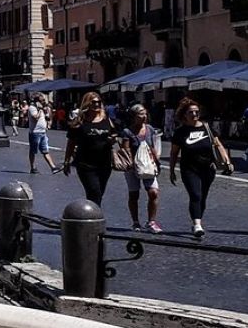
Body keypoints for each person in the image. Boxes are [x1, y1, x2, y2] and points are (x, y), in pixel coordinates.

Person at [167, 97, 229, 239]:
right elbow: (174, 153)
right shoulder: (180, 132)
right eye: (191, 112)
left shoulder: (207, 128)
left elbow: (218, 145)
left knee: (203, 197)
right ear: (185, 115)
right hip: (189, 168)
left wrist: (227, 161)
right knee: (195, 195)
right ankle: (197, 224)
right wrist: (171, 171)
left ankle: (197, 218)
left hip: (208, 168)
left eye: (196, 112)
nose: (194, 114)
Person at [62, 92, 116, 207]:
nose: (97, 105)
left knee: (99, 194)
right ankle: (95, 219)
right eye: (93, 102)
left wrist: (112, 140)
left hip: (105, 164)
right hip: (86, 164)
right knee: (94, 191)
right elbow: (71, 142)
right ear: (87, 104)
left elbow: (114, 134)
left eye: (99, 102)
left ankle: (92, 216)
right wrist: (66, 161)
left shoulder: (107, 119)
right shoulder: (80, 121)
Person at [121, 104, 162, 233]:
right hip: (132, 167)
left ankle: (151, 222)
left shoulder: (149, 129)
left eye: (145, 113)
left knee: (153, 192)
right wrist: (132, 164)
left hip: (148, 165)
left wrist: (157, 162)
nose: (144, 116)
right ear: (133, 117)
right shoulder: (127, 131)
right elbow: (126, 149)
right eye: (140, 114)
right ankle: (135, 222)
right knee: (134, 194)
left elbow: (153, 146)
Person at [26, 94, 58, 175]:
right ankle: (33, 167)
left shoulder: (42, 109)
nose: (44, 102)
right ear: (37, 101)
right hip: (35, 133)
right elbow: (36, 117)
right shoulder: (32, 108)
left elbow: (47, 118)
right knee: (33, 151)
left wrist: (48, 113)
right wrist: (40, 110)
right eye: (42, 100)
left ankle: (53, 167)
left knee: (45, 150)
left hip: (43, 132)